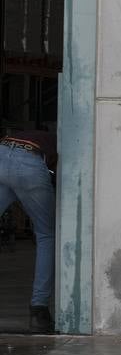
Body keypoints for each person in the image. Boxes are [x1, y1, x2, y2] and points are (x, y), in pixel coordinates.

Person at [0, 127, 57, 334]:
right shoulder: (65, 143)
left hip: (2, 150)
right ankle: (39, 312)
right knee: (46, 235)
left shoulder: (36, 134)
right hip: (30, 162)